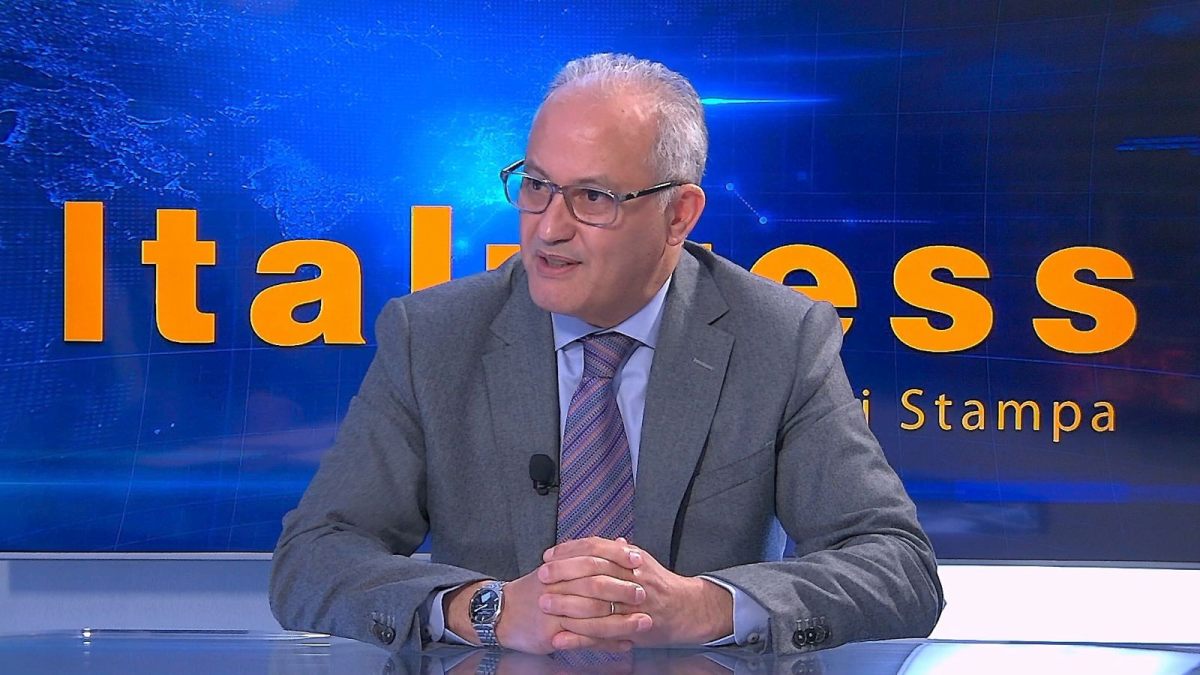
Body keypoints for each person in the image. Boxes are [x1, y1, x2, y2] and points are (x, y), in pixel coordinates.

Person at [268, 53, 943, 655]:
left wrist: (705, 607)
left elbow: (897, 568)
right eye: (536, 186)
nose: (548, 228)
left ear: (679, 215)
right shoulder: (433, 336)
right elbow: (313, 559)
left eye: (592, 197)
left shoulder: (779, 338)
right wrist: (486, 609)